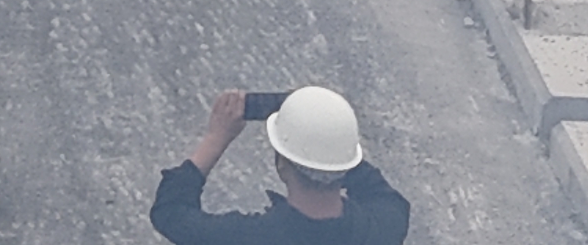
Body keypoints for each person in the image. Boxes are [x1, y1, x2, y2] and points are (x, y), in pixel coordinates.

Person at [149, 86, 407, 242]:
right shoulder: (386, 226)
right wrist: (325, 127)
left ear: (281, 162)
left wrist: (216, 138)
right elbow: (373, 187)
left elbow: (170, 213)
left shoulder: (246, 238)